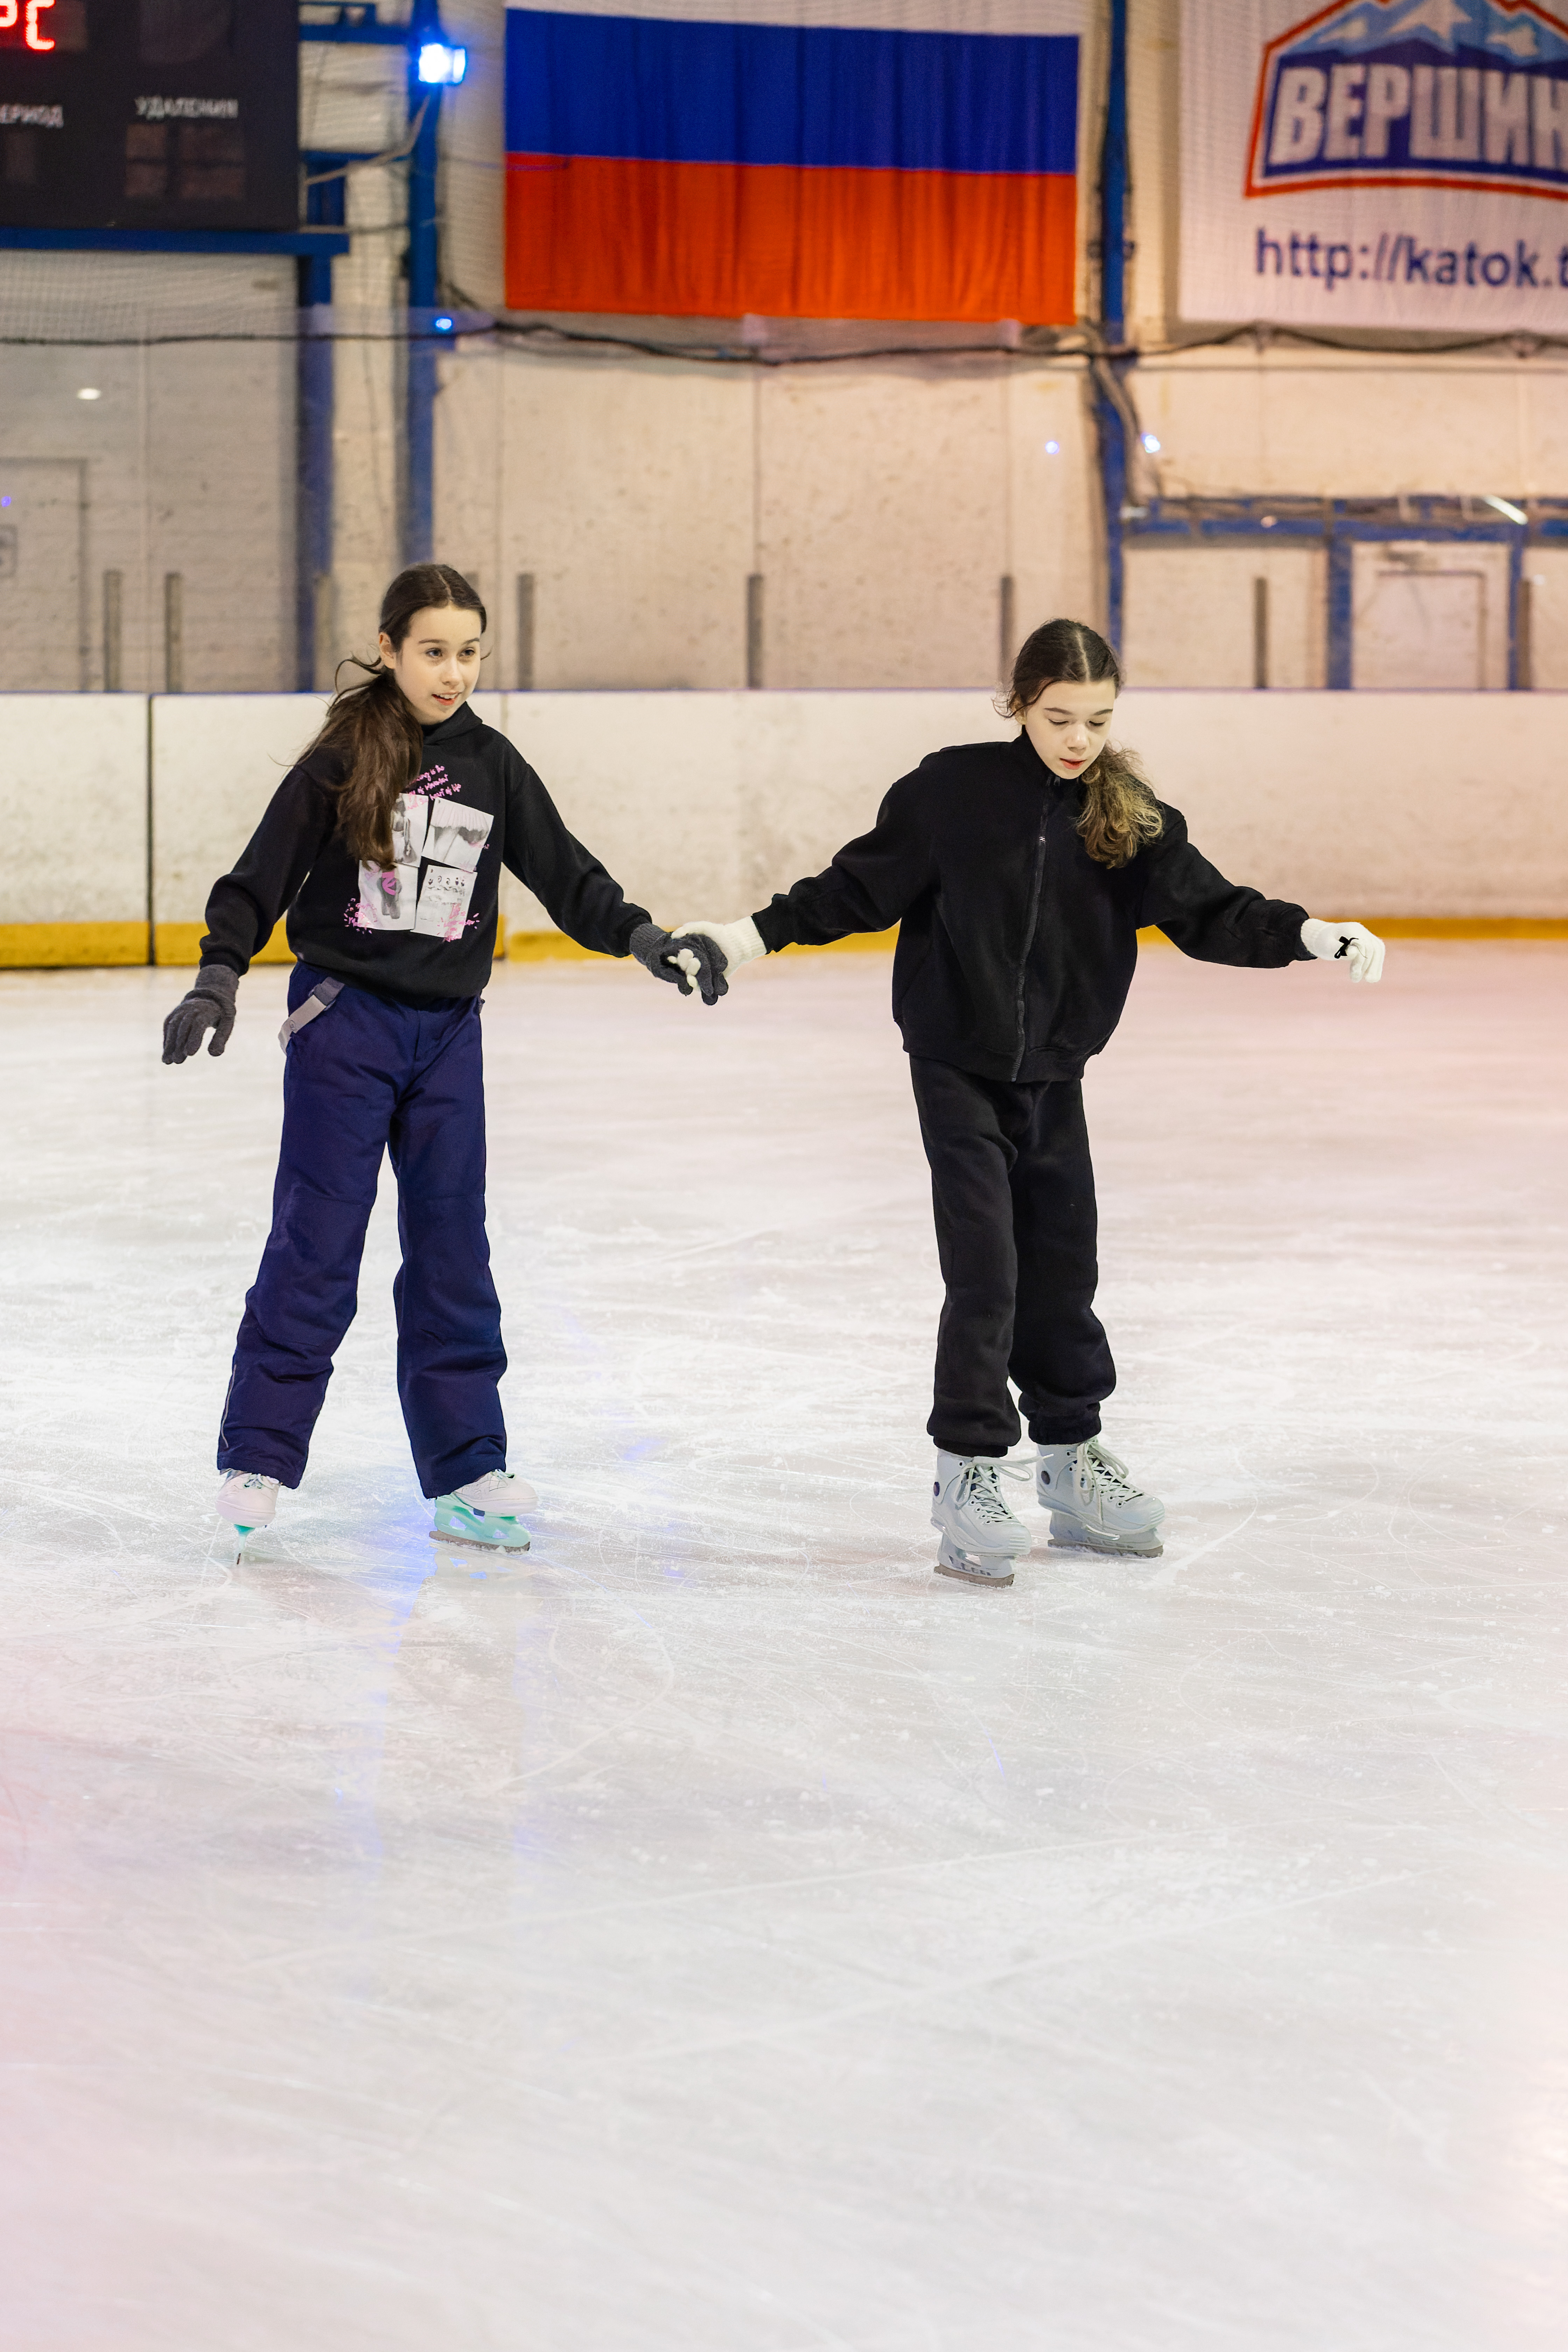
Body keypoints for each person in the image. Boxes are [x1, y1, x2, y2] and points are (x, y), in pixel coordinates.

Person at [672, 616, 1385, 1587]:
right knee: (987, 1270)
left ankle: (1070, 1456)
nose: (1079, 739)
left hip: (1056, 1072)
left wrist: (1307, 934)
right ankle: (967, 1470)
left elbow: (1213, 911)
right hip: (956, 1064)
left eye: (1098, 720)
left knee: (1062, 1268)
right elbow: (851, 890)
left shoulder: (1128, 818)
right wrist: (741, 938)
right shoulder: (950, 793)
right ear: (1019, 705)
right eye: (1059, 718)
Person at [162, 562, 723, 1558]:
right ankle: (257, 1458)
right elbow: (259, 877)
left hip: (448, 1037)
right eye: (433, 652)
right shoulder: (342, 759)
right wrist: (218, 975)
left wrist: (642, 938)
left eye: (469, 653)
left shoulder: (492, 762)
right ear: (390, 650)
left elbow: (568, 875)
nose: (453, 672)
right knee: (317, 1245)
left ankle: (467, 1470)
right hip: (345, 1025)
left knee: (454, 1251)